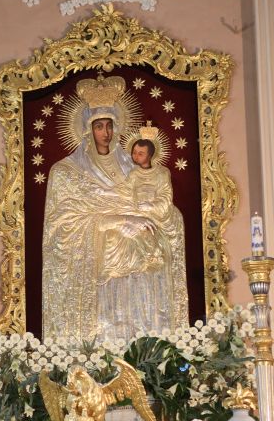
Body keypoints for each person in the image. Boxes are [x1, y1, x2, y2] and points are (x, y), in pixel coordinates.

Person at [42, 75, 188, 344]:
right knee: (107, 335)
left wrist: (151, 217)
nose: (105, 133)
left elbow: (164, 209)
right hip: (100, 268)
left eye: (109, 125)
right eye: (99, 126)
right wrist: (117, 221)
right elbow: (61, 224)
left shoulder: (133, 167)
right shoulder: (66, 172)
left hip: (140, 266)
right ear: (87, 129)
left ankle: (147, 350)